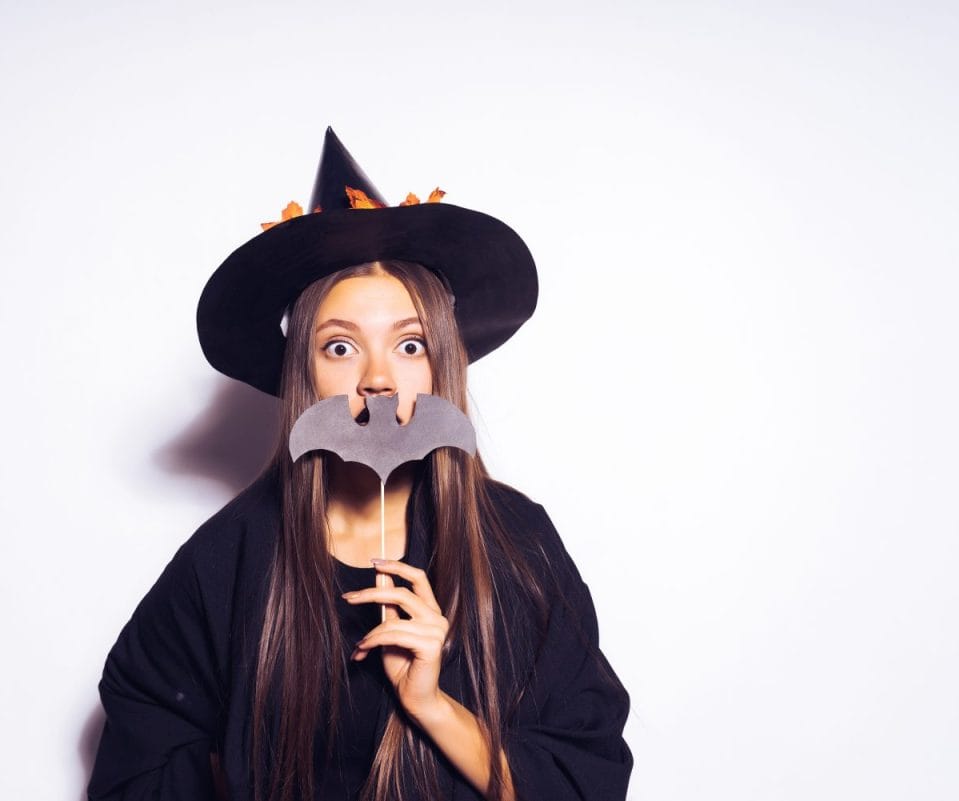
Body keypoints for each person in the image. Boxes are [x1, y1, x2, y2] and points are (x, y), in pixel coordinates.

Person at [86, 128, 634, 801]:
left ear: (442, 364)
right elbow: (141, 752)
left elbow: (587, 779)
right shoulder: (226, 558)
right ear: (303, 375)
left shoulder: (518, 545)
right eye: (341, 348)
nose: (378, 378)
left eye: (408, 344)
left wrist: (431, 702)